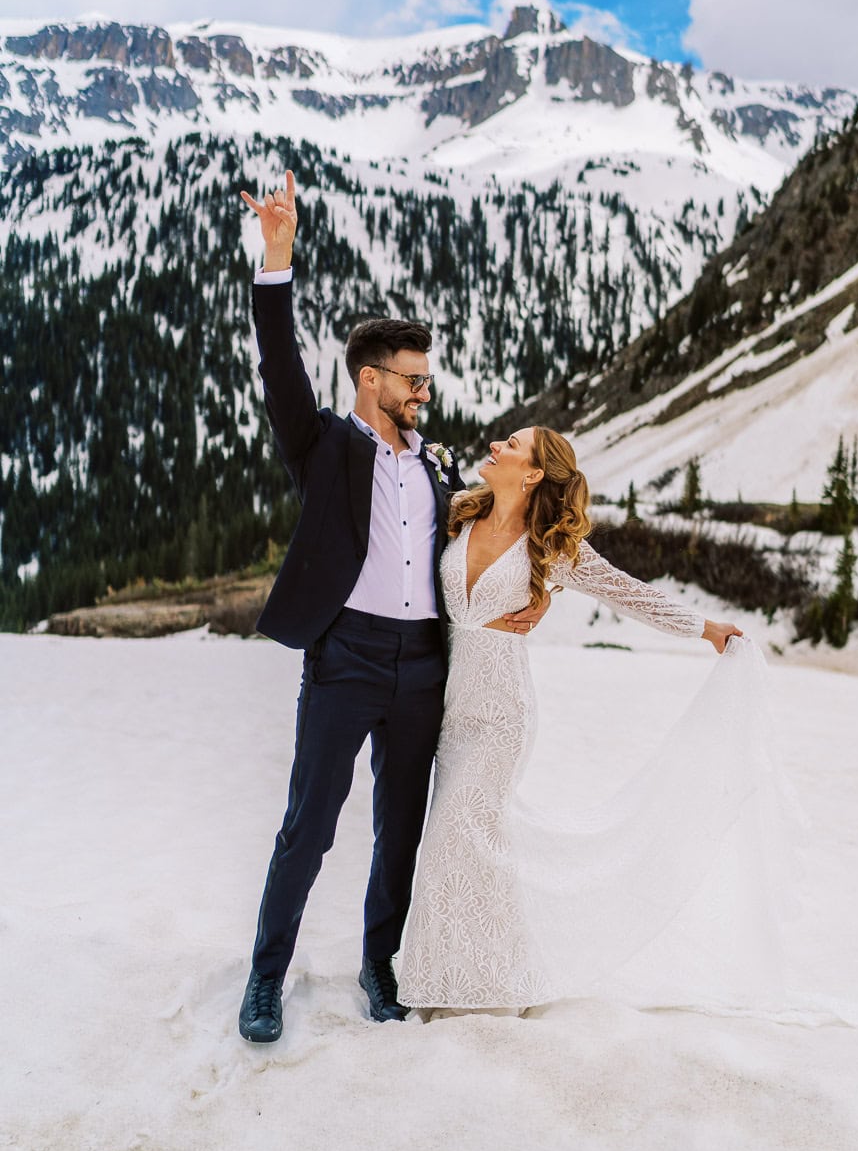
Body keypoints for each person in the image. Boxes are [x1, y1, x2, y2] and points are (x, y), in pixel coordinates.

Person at [236, 171, 547, 1042]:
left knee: (402, 830)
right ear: (371, 380)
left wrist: (542, 594)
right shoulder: (325, 445)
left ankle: (383, 967)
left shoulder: (442, 467)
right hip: (346, 658)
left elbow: (515, 530)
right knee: (308, 827)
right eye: (412, 378)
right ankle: (265, 979)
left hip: (425, 668)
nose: (425, 390)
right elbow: (279, 364)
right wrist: (279, 255)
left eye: (426, 378)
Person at [398, 426, 749, 1013]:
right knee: (462, 845)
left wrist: (704, 628)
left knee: (461, 835)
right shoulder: (457, 513)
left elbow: (625, 590)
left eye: (511, 445)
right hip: (449, 711)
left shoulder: (552, 546)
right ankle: (457, 977)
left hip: (503, 715)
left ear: (533, 473)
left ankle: (489, 990)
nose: (495, 447)